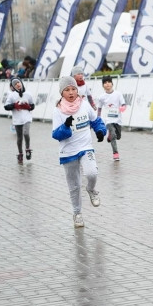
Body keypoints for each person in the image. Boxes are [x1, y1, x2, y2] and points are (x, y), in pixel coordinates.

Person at [52, 75, 106, 228]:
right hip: (68, 152)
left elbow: (96, 121)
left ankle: (91, 189)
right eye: (67, 90)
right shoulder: (58, 110)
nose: (71, 92)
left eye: (73, 89)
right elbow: (56, 134)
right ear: (61, 93)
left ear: (77, 90)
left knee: (92, 173)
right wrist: (65, 127)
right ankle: (77, 214)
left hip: (85, 147)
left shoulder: (84, 105)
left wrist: (100, 131)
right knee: (74, 186)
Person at [4, 77, 35, 163]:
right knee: (19, 138)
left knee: (26, 133)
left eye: (18, 82)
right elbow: (6, 106)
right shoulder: (12, 95)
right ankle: (20, 154)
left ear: (21, 83)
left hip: (27, 118)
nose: (17, 85)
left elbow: (32, 105)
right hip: (17, 119)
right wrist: (14, 105)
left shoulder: (28, 94)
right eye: (15, 84)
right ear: (13, 87)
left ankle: (28, 149)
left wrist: (28, 107)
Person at [95, 75, 126, 161]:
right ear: (103, 85)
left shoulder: (118, 94)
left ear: (112, 84)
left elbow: (123, 104)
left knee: (118, 136)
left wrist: (123, 108)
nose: (107, 84)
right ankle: (115, 153)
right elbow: (99, 108)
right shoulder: (102, 97)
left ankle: (110, 137)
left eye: (109, 82)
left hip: (118, 119)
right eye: (105, 83)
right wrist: (98, 117)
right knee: (113, 134)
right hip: (108, 119)